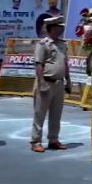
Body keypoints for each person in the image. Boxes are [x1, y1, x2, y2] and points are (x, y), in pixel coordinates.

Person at [31, 16, 71, 153]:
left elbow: (65, 63)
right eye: (58, 27)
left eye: (61, 27)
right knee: (40, 113)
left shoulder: (63, 44)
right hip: (46, 82)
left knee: (56, 114)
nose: (60, 30)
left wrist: (68, 81)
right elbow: (39, 64)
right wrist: (41, 82)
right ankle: (36, 141)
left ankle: (53, 139)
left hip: (59, 83)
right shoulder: (43, 44)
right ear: (50, 29)